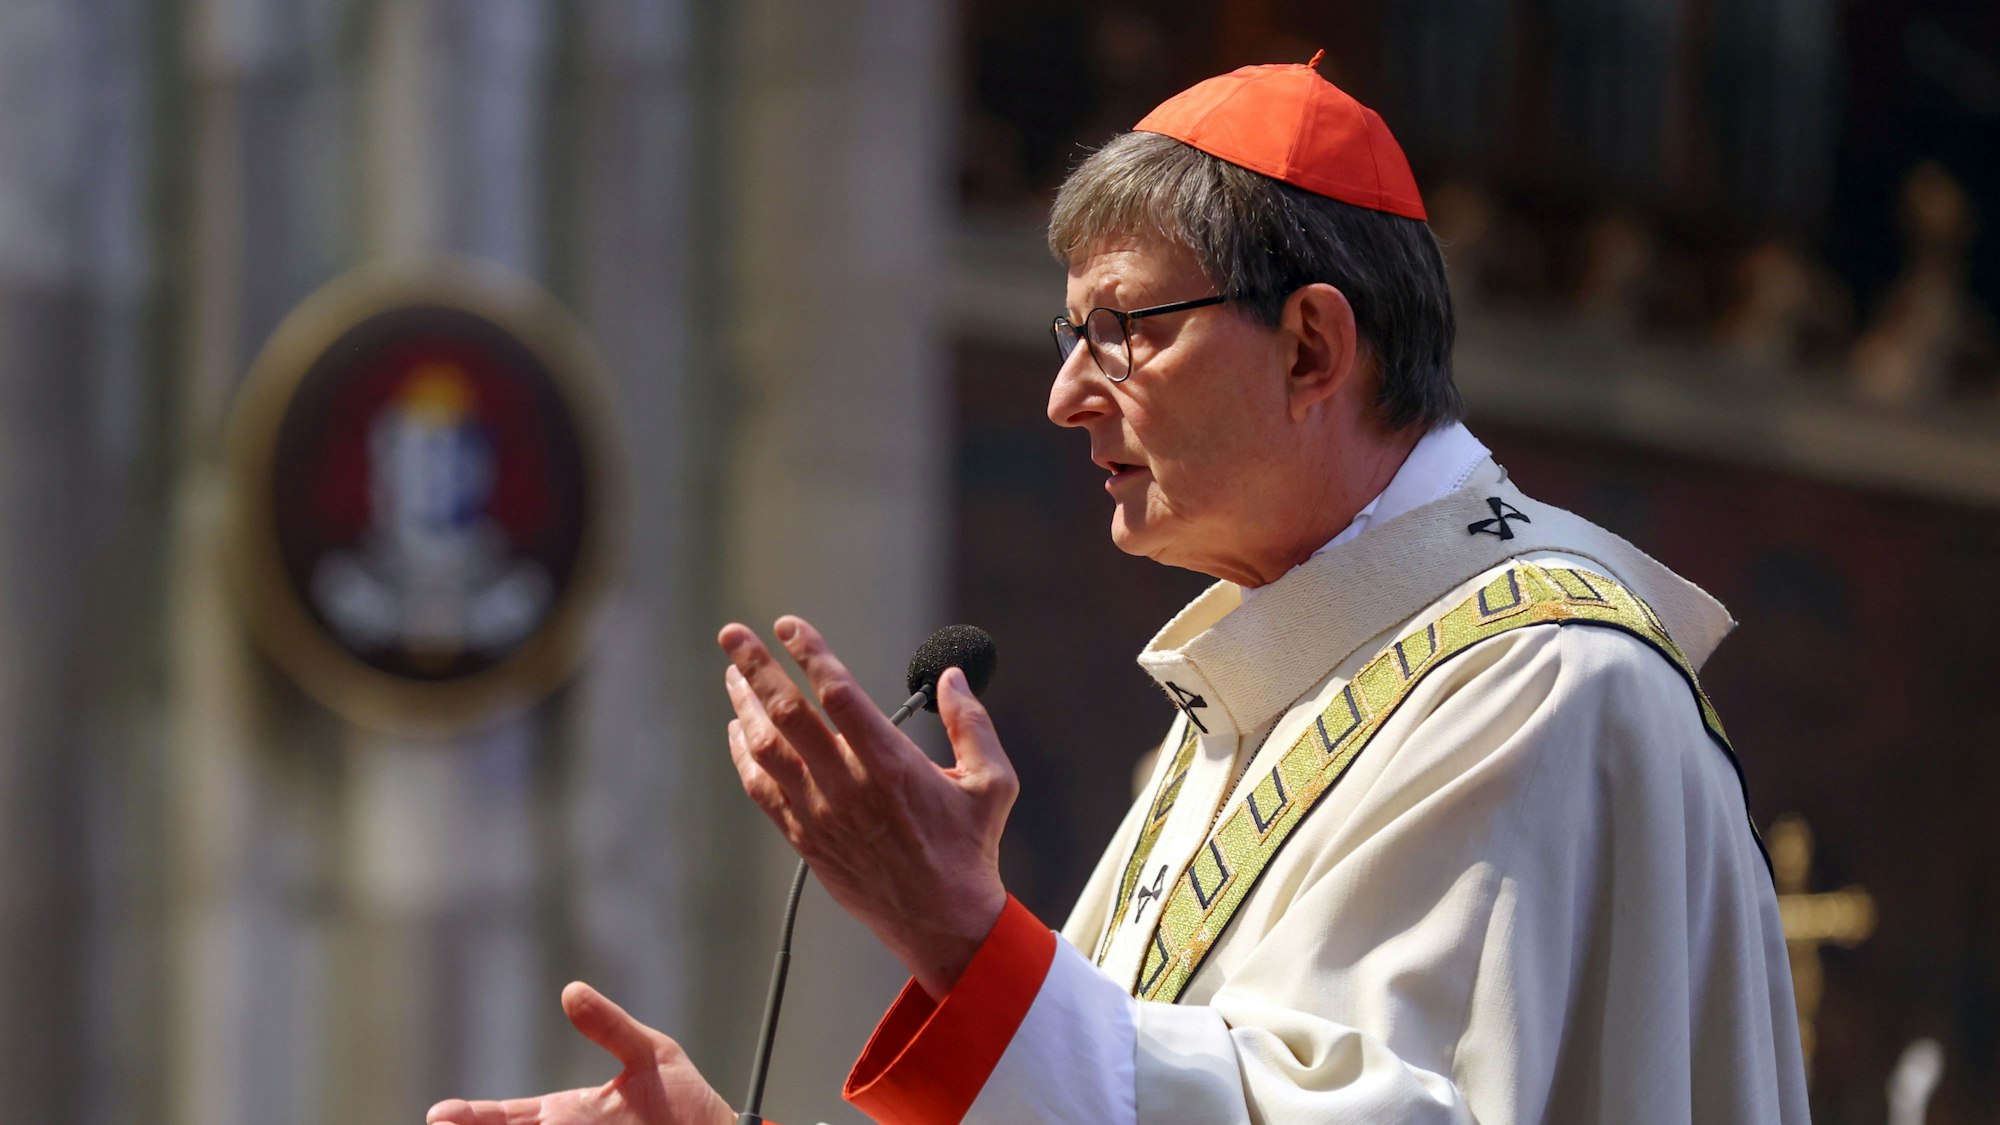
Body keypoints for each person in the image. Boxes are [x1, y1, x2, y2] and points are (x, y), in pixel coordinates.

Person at [428, 57, 1809, 1125]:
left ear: (1310, 348)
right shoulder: (1268, 698)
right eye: (1066, 332)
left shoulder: (1540, 682)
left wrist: (964, 937)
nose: (1066, 394)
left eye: (1122, 330)